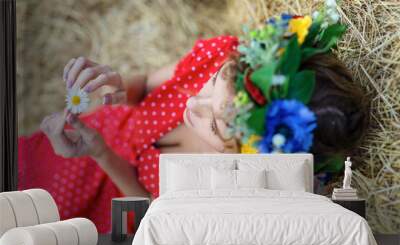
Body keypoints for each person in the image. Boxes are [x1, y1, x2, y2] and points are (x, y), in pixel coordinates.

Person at [18, 8, 367, 233]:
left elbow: (147, 219)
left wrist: (100, 154)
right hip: (97, 132)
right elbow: (146, 87)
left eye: (214, 126)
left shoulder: (227, 190)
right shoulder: (218, 57)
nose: (191, 104)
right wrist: (118, 84)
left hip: (104, 202)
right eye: (213, 83)